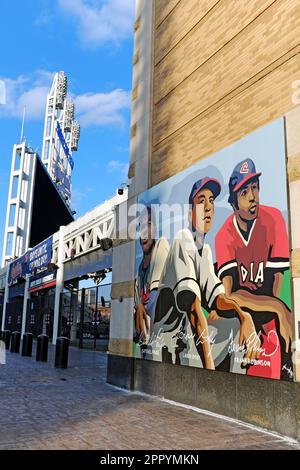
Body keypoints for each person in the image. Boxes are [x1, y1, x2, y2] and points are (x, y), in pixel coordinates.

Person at [154, 177, 261, 370]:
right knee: (214, 333)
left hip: (182, 336)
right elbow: (194, 309)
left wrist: (243, 315)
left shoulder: (205, 250)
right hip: (164, 340)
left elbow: (219, 300)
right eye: (201, 201)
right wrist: (208, 370)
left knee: (236, 324)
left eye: (211, 201)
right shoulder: (183, 239)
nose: (208, 207)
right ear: (189, 214)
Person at [215, 158, 293, 380]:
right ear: (233, 203)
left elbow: (276, 283)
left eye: (255, 188)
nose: (252, 197)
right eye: (244, 192)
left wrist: (275, 314)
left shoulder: (274, 219)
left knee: (278, 345)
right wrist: (278, 308)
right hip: (238, 311)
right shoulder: (224, 235)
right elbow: (230, 295)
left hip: (267, 307)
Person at [134, 206, 169, 355]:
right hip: (147, 338)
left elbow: (156, 302)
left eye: (148, 225)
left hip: (164, 333)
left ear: (154, 229)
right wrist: (138, 307)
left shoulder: (161, 245)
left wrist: (140, 307)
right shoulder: (140, 268)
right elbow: (136, 307)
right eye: (141, 227)